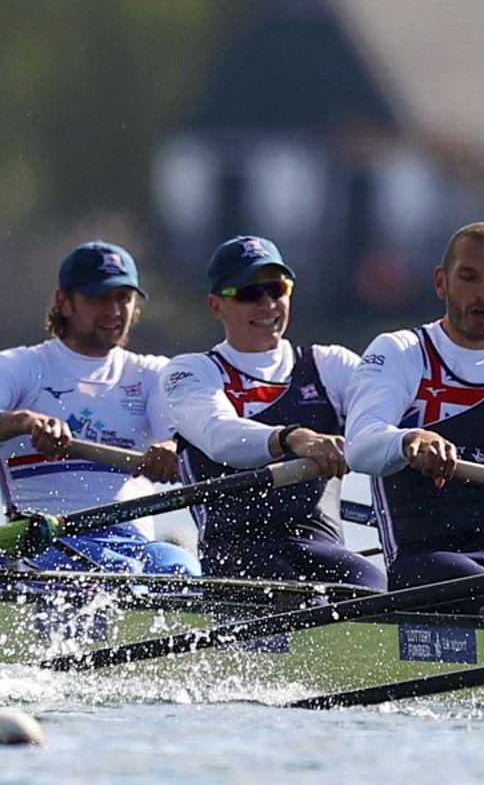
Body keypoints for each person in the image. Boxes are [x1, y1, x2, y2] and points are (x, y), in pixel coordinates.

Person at [0, 240, 196, 574]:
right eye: (99, 297)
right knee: (114, 573)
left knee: (184, 568)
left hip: (133, 544)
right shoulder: (21, 367)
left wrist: (170, 447)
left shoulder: (151, 373)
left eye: (123, 298)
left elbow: (175, 433)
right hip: (47, 541)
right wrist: (23, 422)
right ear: (64, 302)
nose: (114, 311)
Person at [344, 222, 484, 610]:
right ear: (441, 282)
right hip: (425, 557)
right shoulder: (401, 352)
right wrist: (410, 440)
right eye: (469, 277)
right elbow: (361, 445)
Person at [160, 235, 376, 586]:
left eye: (276, 289)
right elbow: (218, 435)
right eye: (249, 293)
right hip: (236, 554)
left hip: (321, 548)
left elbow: (384, 425)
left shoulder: (331, 365)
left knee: (369, 585)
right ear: (216, 305)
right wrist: (295, 439)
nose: (267, 304)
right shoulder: (190, 372)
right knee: (284, 589)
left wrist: (417, 438)